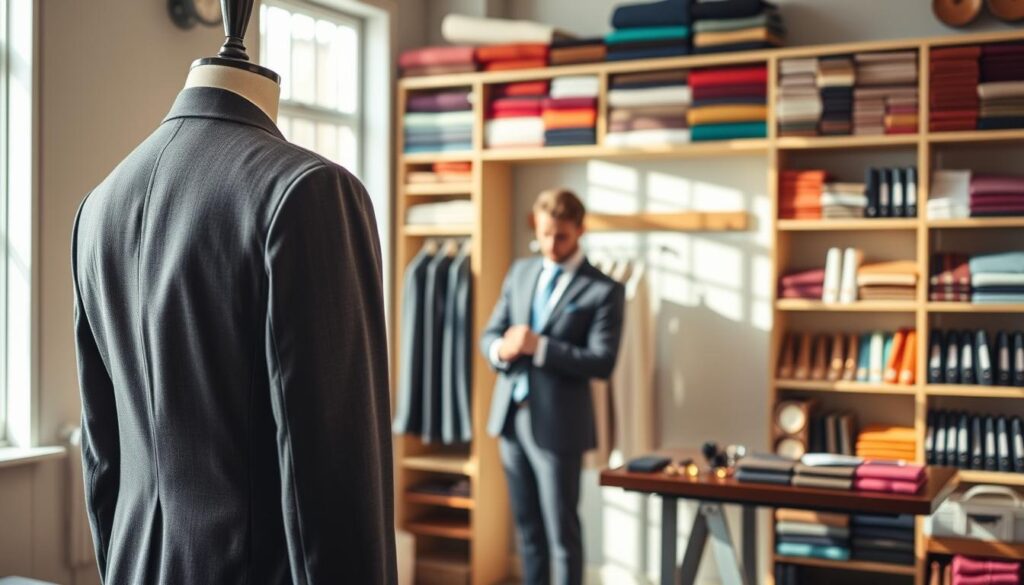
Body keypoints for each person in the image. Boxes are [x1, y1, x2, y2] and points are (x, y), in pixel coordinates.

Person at [480, 188, 625, 585]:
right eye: (544, 234)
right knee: (527, 530)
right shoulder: (520, 272)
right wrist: (499, 349)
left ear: (580, 230)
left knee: (562, 533)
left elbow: (602, 361)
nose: (550, 244)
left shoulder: (604, 290)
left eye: (561, 236)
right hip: (511, 420)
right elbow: (490, 334)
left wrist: (540, 347)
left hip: (560, 427)